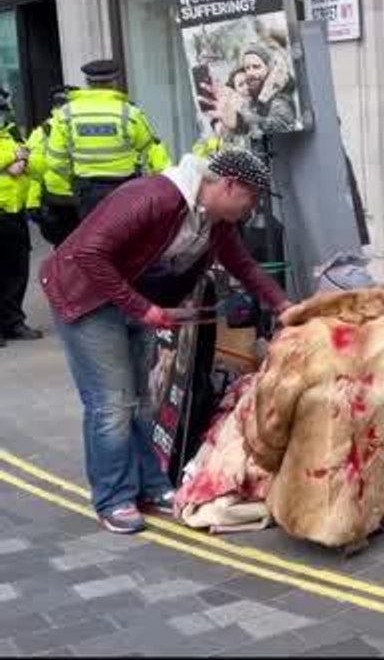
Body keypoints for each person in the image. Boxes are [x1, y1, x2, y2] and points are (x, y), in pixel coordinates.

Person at [40, 149, 290, 534]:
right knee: (111, 404)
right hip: (86, 298)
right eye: (252, 197)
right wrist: (142, 309)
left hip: (131, 298)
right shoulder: (155, 197)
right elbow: (89, 252)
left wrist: (284, 305)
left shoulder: (214, 221)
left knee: (141, 402)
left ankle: (151, 486)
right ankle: (114, 498)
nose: (253, 208)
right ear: (227, 185)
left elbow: (244, 266)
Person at [44, 59, 171, 221]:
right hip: (125, 187)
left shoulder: (66, 114)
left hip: (87, 189)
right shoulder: (129, 112)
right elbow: (152, 149)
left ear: (87, 82)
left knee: (95, 239)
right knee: (126, 235)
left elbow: (55, 161)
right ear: (114, 82)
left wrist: (73, 178)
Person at [0, 88, 40, 345]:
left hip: (15, 213)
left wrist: (23, 162)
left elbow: (35, 165)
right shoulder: (10, 145)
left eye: (2, 111)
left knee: (17, 270)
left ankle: (13, 322)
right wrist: (10, 159)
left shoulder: (11, 135)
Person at [24, 84, 80, 247]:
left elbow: (34, 170)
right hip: (86, 197)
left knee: (62, 248)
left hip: (56, 200)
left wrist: (32, 202)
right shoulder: (82, 126)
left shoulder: (42, 131)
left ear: (54, 106)